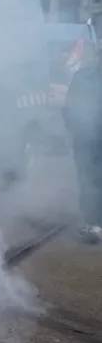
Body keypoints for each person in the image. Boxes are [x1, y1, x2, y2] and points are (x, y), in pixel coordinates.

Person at [63, 42, 102, 243]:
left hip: (89, 138)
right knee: (88, 180)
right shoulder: (82, 77)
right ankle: (93, 223)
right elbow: (69, 108)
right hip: (87, 139)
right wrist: (76, 130)